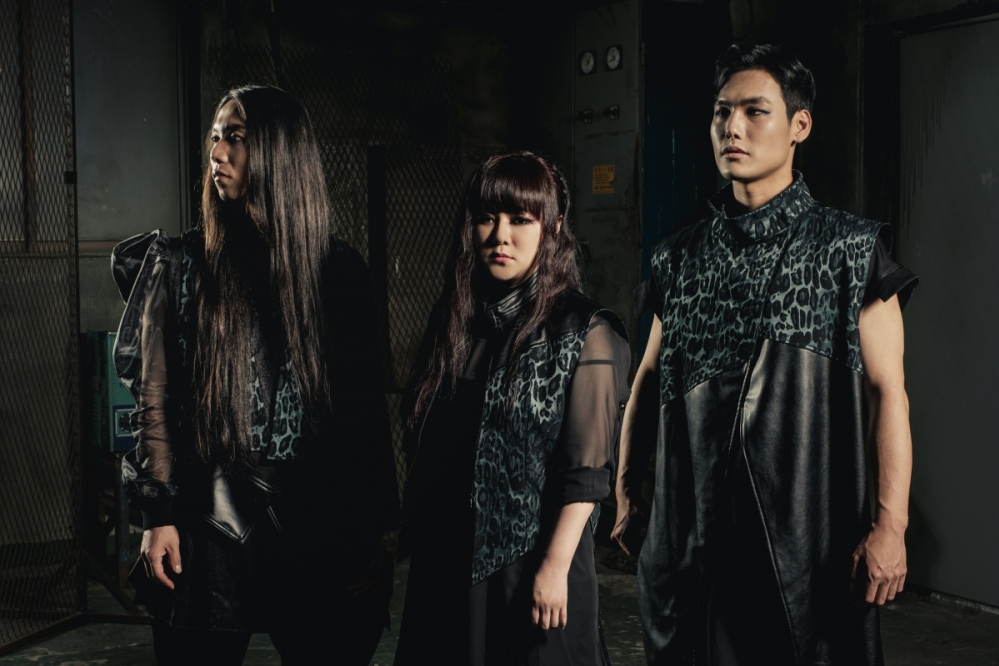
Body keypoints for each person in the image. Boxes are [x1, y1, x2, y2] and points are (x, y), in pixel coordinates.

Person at [612, 43, 918, 665]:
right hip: (692, 549)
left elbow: (887, 393)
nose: (733, 128)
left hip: (807, 551)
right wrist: (624, 490)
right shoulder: (678, 257)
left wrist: (891, 525)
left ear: (799, 125)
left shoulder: (849, 251)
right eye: (722, 112)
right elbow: (646, 378)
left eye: (755, 112)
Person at [111, 85, 399, 665]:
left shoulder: (338, 271)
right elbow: (154, 399)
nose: (217, 152)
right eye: (216, 136)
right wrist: (158, 518)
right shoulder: (181, 264)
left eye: (236, 138)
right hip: (206, 513)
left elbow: (364, 415)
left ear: (278, 154)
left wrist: (372, 530)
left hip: (314, 516)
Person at [393, 151, 631, 664]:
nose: (500, 235)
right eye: (487, 217)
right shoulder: (454, 321)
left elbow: (587, 473)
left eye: (521, 219)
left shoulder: (584, 330)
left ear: (553, 228)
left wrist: (555, 566)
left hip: (534, 563)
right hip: (448, 559)